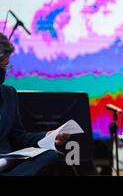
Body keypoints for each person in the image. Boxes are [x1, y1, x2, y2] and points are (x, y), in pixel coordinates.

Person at [0, 33, 70, 176]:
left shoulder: (9, 94)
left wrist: (49, 136)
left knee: (50, 155)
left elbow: (19, 138)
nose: (4, 71)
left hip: (7, 161)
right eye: (2, 65)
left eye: (6, 66)